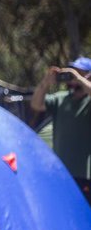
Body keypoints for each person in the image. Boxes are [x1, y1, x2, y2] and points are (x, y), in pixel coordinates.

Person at [31, 57, 91, 203]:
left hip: (84, 176)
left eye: (78, 72)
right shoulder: (60, 99)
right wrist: (45, 83)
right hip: (60, 172)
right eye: (71, 73)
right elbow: (36, 105)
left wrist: (79, 79)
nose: (72, 77)